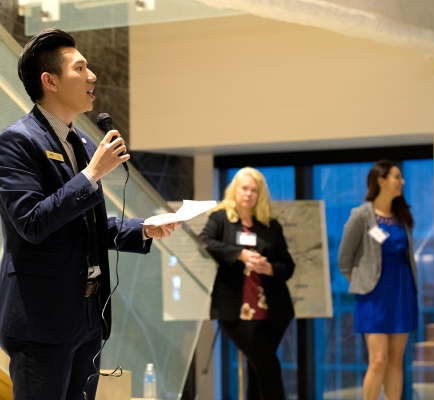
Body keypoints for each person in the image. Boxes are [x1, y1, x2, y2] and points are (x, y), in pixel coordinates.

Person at [0, 28, 179, 399]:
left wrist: (142, 228)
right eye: (80, 68)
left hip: (87, 316)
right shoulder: (17, 141)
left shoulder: (79, 141)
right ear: (49, 81)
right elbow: (32, 223)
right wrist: (92, 174)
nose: (92, 76)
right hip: (42, 319)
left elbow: (86, 226)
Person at [199, 167, 295, 400]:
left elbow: (288, 266)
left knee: (258, 369)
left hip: (272, 310)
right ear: (234, 190)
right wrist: (239, 254)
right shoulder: (220, 218)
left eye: (254, 190)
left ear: (260, 194)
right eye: (244, 188)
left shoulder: (270, 225)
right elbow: (205, 242)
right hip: (236, 310)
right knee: (269, 367)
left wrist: (268, 267)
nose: (249, 194)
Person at [338, 159, 418, 400]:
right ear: (381, 181)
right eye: (396, 177)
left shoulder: (402, 216)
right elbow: (344, 259)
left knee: (395, 359)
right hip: (373, 295)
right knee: (378, 360)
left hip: (402, 291)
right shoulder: (361, 215)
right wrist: (363, 284)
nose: (401, 182)